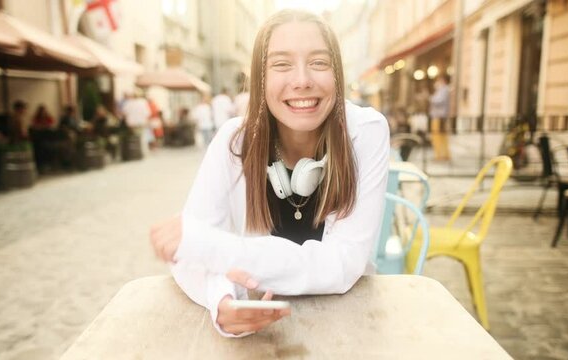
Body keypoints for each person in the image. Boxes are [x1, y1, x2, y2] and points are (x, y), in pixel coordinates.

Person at [149, 9, 389, 337]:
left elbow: (344, 264)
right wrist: (221, 300)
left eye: (319, 62)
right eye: (281, 64)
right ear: (260, 79)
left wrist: (218, 249)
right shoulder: (235, 141)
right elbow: (189, 255)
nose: (302, 79)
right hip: (264, 336)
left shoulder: (365, 132)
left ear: (338, 74)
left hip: (348, 324)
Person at [429, 75, 451, 161]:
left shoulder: (443, 90)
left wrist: (430, 97)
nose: (436, 83)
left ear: (443, 80)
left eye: (438, 80)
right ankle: (441, 155)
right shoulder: (443, 90)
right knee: (440, 136)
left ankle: (440, 156)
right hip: (440, 116)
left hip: (439, 116)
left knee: (438, 136)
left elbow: (437, 100)